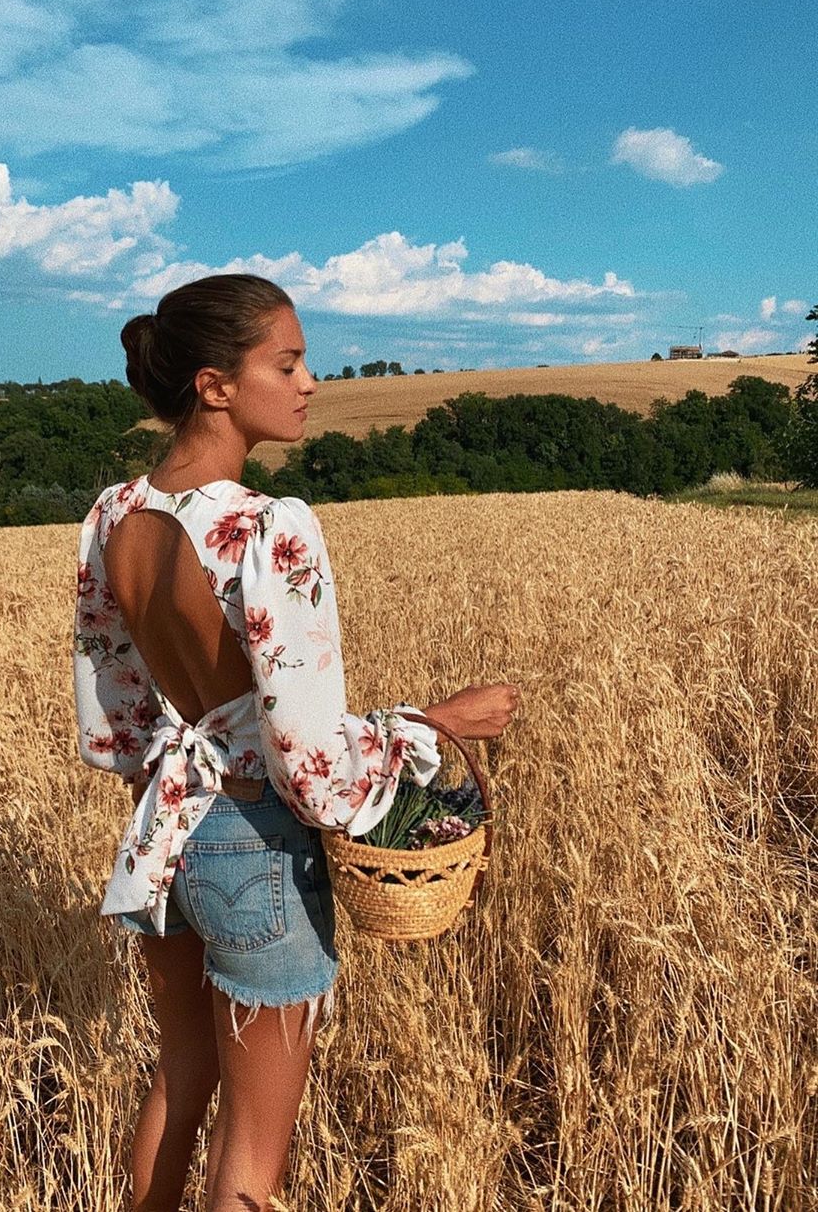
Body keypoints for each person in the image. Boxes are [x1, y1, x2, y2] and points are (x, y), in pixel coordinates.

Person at [72, 274, 519, 1212]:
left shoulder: (112, 516)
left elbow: (117, 720)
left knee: (182, 1077)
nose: (312, 381)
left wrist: (177, 791)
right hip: (255, 846)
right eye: (288, 362)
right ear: (216, 385)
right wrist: (432, 724)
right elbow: (312, 765)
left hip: (165, 838)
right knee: (251, 1168)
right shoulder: (269, 526)